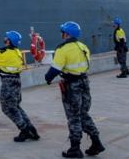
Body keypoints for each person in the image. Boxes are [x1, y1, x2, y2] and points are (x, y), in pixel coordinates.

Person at [45, 21, 105, 158]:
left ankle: (75, 149)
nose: (61, 34)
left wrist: (47, 78)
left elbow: (55, 69)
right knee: (83, 114)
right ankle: (96, 142)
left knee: (74, 117)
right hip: (84, 82)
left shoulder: (63, 49)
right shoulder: (83, 46)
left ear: (66, 34)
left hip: (72, 86)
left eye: (62, 32)